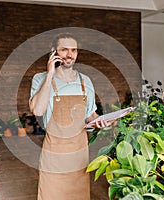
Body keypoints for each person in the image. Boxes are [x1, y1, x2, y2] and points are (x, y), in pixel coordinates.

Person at [29, 33, 112, 200]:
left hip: (79, 152)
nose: (69, 54)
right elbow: (37, 110)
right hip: (54, 152)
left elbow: (90, 115)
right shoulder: (40, 79)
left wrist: (101, 121)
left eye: (73, 50)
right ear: (54, 52)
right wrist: (50, 74)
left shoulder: (85, 81)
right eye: (64, 49)